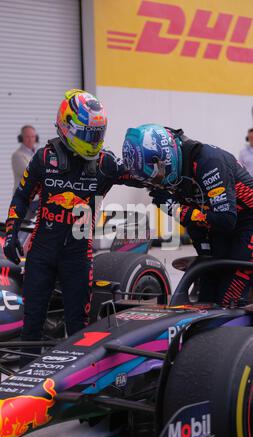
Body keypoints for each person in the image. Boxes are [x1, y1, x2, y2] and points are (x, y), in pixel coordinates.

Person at [3, 89, 128, 360]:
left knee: (77, 327)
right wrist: (12, 232)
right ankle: (27, 384)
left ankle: (74, 387)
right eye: (88, 133)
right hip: (41, 252)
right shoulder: (44, 158)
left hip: (78, 255)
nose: (93, 140)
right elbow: (22, 196)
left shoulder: (105, 163)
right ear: (67, 126)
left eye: (98, 133)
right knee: (32, 323)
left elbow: (140, 173)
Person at [122, 124, 253, 307]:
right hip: (218, 223)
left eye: (157, 176)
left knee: (228, 296)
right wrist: (204, 250)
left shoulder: (209, 163)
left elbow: (225, 219)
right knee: (206, 292)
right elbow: (194, 221)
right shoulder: (170, 176)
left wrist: (177, 210)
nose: (157, 183)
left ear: (166, 157)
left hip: (245, 219)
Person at [12, 125, 39, 193]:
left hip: (37, 198)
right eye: (27, 137)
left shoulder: (38, 153)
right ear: (21, 138)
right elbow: (30, 173)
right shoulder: (17, 155)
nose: (30, 140)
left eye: (33, 137)